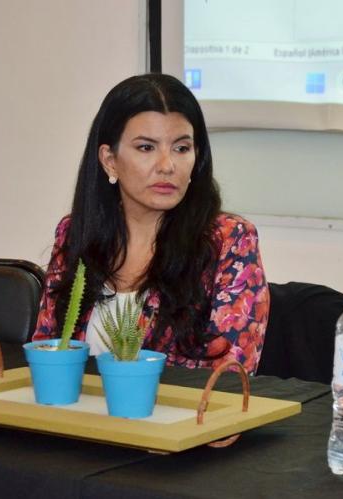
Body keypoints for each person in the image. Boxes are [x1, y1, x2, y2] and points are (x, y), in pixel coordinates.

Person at [32, 73, 268, 375]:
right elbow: (47, 351)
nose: (167, 165)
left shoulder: (229, 239)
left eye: (182, 149)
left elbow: (230, 374)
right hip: (74, 417)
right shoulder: (75, 232)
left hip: (180, 419)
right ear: (110, 160)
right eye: (146, 148)